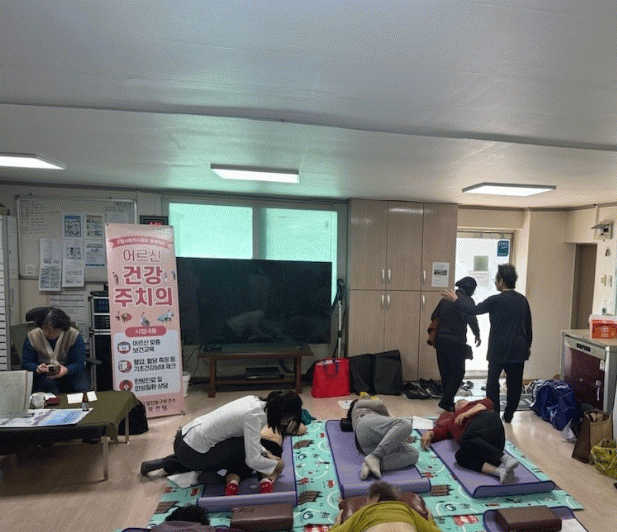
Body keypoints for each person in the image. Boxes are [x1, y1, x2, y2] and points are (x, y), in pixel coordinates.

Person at [140, 390, 303, 496]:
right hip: (192, 453)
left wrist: (265, 454)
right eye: (288, 419)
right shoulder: (255, 417)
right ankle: (206, 475)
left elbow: (250, 443)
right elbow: (252, 460)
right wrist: (275, 465)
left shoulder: (253, 401)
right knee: (243, 452)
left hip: (183, 439)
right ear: (282, 414)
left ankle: (163, 462)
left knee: (243, 444)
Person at [441, 263, 532, 423]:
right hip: (518, 349)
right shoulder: (522, 300)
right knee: (515, 385)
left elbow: (473, 310)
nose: (495, 282)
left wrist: (456, 300)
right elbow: (528, 326)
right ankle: (509, 415)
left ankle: (494, 414)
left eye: (496, 279)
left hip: (498, 348)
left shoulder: (495, 300)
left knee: (492, 383)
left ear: (501, 281)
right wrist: (528, 346)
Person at [420, 398, 519, 484]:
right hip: (488, 451)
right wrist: (429, 433)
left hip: (491, 426)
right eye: (458, 403)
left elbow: (488, 403)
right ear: (454, 410)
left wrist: (466, 414)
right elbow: (440, 432)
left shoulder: (476, 405)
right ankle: (500, 472)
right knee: (461, 456)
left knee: (466, 438)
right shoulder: (451, 422)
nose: (460, 402)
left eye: (463, 401)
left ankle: (506, 458)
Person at [430, 276, 481, 412]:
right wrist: (477, 334)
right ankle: (445, 401)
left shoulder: (445, 299)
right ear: (470, 289)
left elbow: (434, 316)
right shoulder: (467, 301)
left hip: (440, 339)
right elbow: (472, 319)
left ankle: (448, 401)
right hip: (456, 340)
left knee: (445, 371)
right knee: (458, 372)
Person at [21, 307, 90, 394]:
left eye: (55, 330)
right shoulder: (32, 336)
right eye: (46, 328)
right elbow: (26, 362)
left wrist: (66, 370)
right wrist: (37, 368)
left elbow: (79, 362)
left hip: (70, 370)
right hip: (45, 373)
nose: (50, 333)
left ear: (62, 328)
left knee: (82, 389)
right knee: (48, 389)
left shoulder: (73, 335)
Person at [347, 398, 419, 480]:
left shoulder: (355, 417)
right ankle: (375, 456)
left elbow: (386, 435)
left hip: (364, 446)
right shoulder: (358, 403)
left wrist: (398, 434)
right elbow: (380, 404)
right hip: (365, 426)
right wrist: (391, 419)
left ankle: (370, 466)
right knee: (405, 424)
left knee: (413, 454)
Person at [329, 480, 441, 532]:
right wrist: (431, 520)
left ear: (376, 497)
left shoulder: (365, 511)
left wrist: (337, 524)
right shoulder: (406, 510)